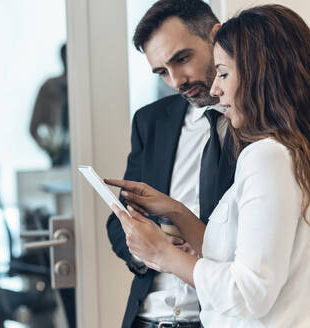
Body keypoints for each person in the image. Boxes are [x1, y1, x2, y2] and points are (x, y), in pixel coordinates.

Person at [107, 4, 310, 327]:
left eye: (224, 73)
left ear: (262, 74)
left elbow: (249, 292)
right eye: (161, 72)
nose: (216, 88)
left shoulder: (266, 156)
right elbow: (241, 252)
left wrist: (165, 254)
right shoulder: (296, 152)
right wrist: (175, 211)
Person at [105, 1, 236, 327]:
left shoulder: (258, 124)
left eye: (182, 59)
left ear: (215, 37)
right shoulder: (150, 122)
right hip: (147, 317)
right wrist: (146, 249)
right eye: (162, 71)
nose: (176, 80)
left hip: (217, 315)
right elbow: (117, 222)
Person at [29, 44, 70, 166]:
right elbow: (33, 127)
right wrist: (49, 149)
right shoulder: (50, 87)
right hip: (58, 153)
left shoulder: (84, 85)